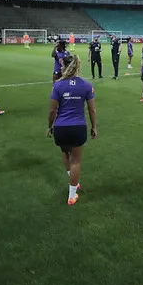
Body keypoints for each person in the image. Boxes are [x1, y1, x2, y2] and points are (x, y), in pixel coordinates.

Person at [48, 55, 97, 206]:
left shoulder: (57, 85)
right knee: (76, 161)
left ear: (66, 67)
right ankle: (72, 195)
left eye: (62, 65)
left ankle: (72, 179)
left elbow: (52, 111)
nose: (60, 67)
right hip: (78, 126)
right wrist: (94, 127)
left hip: (61, 127)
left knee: (65, 153)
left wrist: (49, 127)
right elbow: (92, 109)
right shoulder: (86, 85)